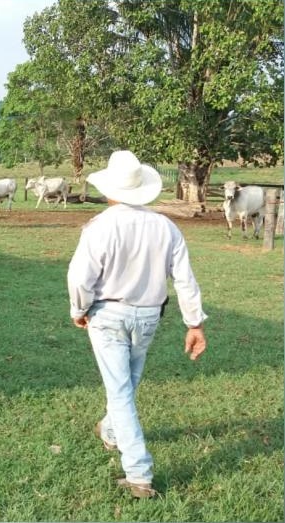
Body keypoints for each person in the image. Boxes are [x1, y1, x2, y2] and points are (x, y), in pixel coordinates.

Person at [67, 150, 208, 499]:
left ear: (110, 189)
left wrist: (79, 309)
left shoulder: (99, 227)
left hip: (108, 314)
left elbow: (80, 277)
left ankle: (139, 473)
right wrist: (194, 323)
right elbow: (185, 280)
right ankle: (112, 432)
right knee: (127, 382)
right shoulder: (166, 227)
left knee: (120, 390)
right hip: (148, 316)